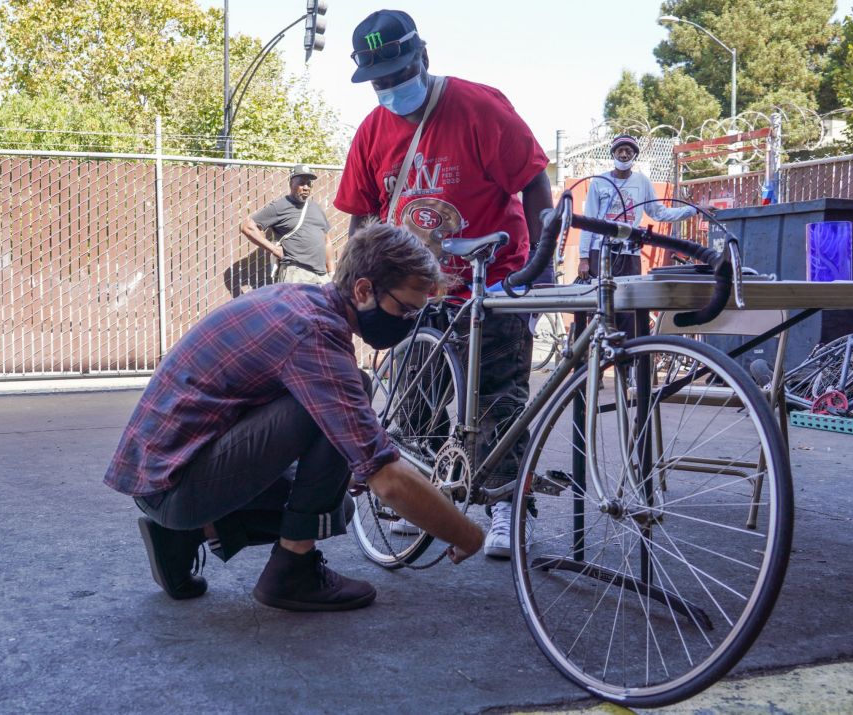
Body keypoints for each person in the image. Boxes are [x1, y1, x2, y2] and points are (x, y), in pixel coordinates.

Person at [104, 224, 485, 612]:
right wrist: (467, 533)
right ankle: (293, 571)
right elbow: (386, 480)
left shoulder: (300, 300)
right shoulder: (313, 332)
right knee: (347, 393)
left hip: (163, 476)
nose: (409, 322)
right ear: (364, 290)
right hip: (173, 486)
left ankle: (181, 538)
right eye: (405, 309)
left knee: (337, 507)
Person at [334, 9, 554, 559]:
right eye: (379, 81)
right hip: (412, 291)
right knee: (416, 400)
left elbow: (534, 183)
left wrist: (536, 269)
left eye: (398, 74)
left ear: (423, 57)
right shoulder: (371, 131)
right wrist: (353, 283)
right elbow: (362, 216)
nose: (390, 89)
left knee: (499, 397)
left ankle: (505, 507)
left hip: (491, 278)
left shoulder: (478, 107)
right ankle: (427, 500)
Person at [577, 134, 702, 337]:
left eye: (629, 150)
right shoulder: (599, 182)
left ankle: (626, 362)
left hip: (629, 254)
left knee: (628, 309)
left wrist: (694, 210)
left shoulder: (642, 182)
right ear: (613, 153)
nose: (624, 154)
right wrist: (583, 258)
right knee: (600, 308)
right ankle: (595, 357)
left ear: (634, 155)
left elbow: (659, 213)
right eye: (620, 150)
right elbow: (588, 222)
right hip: (600, 253)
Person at [240, 163, 334, 285]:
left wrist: (332, 273)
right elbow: (247, 227)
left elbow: (327, 241)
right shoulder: (280, 206)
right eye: (301, 183)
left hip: (321, 277)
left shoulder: (316, 208)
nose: (306, 187)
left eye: (309, 183)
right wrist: (274, 249)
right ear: (291, 184)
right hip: (296, 273)